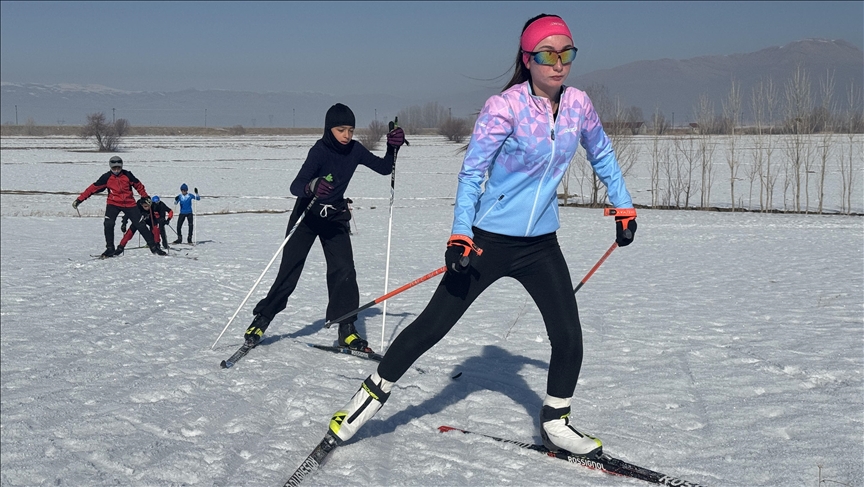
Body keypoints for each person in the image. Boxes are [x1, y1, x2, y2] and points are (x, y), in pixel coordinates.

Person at [324, 14, 637, 459]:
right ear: (528, 59)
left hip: (541, 245)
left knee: (569, 335)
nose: (559, 63)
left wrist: (623, 206)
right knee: (431, 326)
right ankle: (365, 401)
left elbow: (602, 152)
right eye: (548, 54)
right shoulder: (504, 107)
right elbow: (473, 173)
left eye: (567, 53)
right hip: (488, 240)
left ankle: (556, 421)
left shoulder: (579, 106)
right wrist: (459, 235)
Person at [242, 103, 405, 353]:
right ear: (329, 129)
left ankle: (347, 330)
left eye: (351, 130)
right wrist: (313, 186)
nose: (347, 135)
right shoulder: (319, 151)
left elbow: (384, 168)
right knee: (289, 272)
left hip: (334, 216)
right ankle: (261, 321)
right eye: (341, 129)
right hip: (306, 216)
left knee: (345, 272)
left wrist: (392, 148)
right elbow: (296, 186)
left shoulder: (355, 150)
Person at [73, 156, 166, 258]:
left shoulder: (127, 175)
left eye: (118, 168)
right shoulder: (106, 177)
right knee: (108, 223)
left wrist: (145, 196)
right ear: (110, 167)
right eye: (114, 168)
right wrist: (79, 199)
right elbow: (92, 188)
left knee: (140, 225)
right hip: (113, 204)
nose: (116, 170)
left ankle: (154, 247)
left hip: (129, 203)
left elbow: (138, 185)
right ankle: (110, 248)